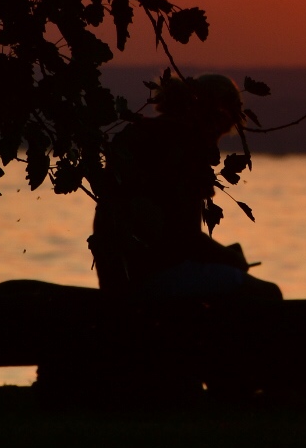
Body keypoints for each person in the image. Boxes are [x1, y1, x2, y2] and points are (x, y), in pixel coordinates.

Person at [90, 72, 281, 301]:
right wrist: (233, 259)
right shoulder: (186, 144)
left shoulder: (137, 133)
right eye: (221, 131)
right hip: (153, 277)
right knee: (268, 294)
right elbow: (186, 239)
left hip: (117, 278)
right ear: (216, 117)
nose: (214, 143)